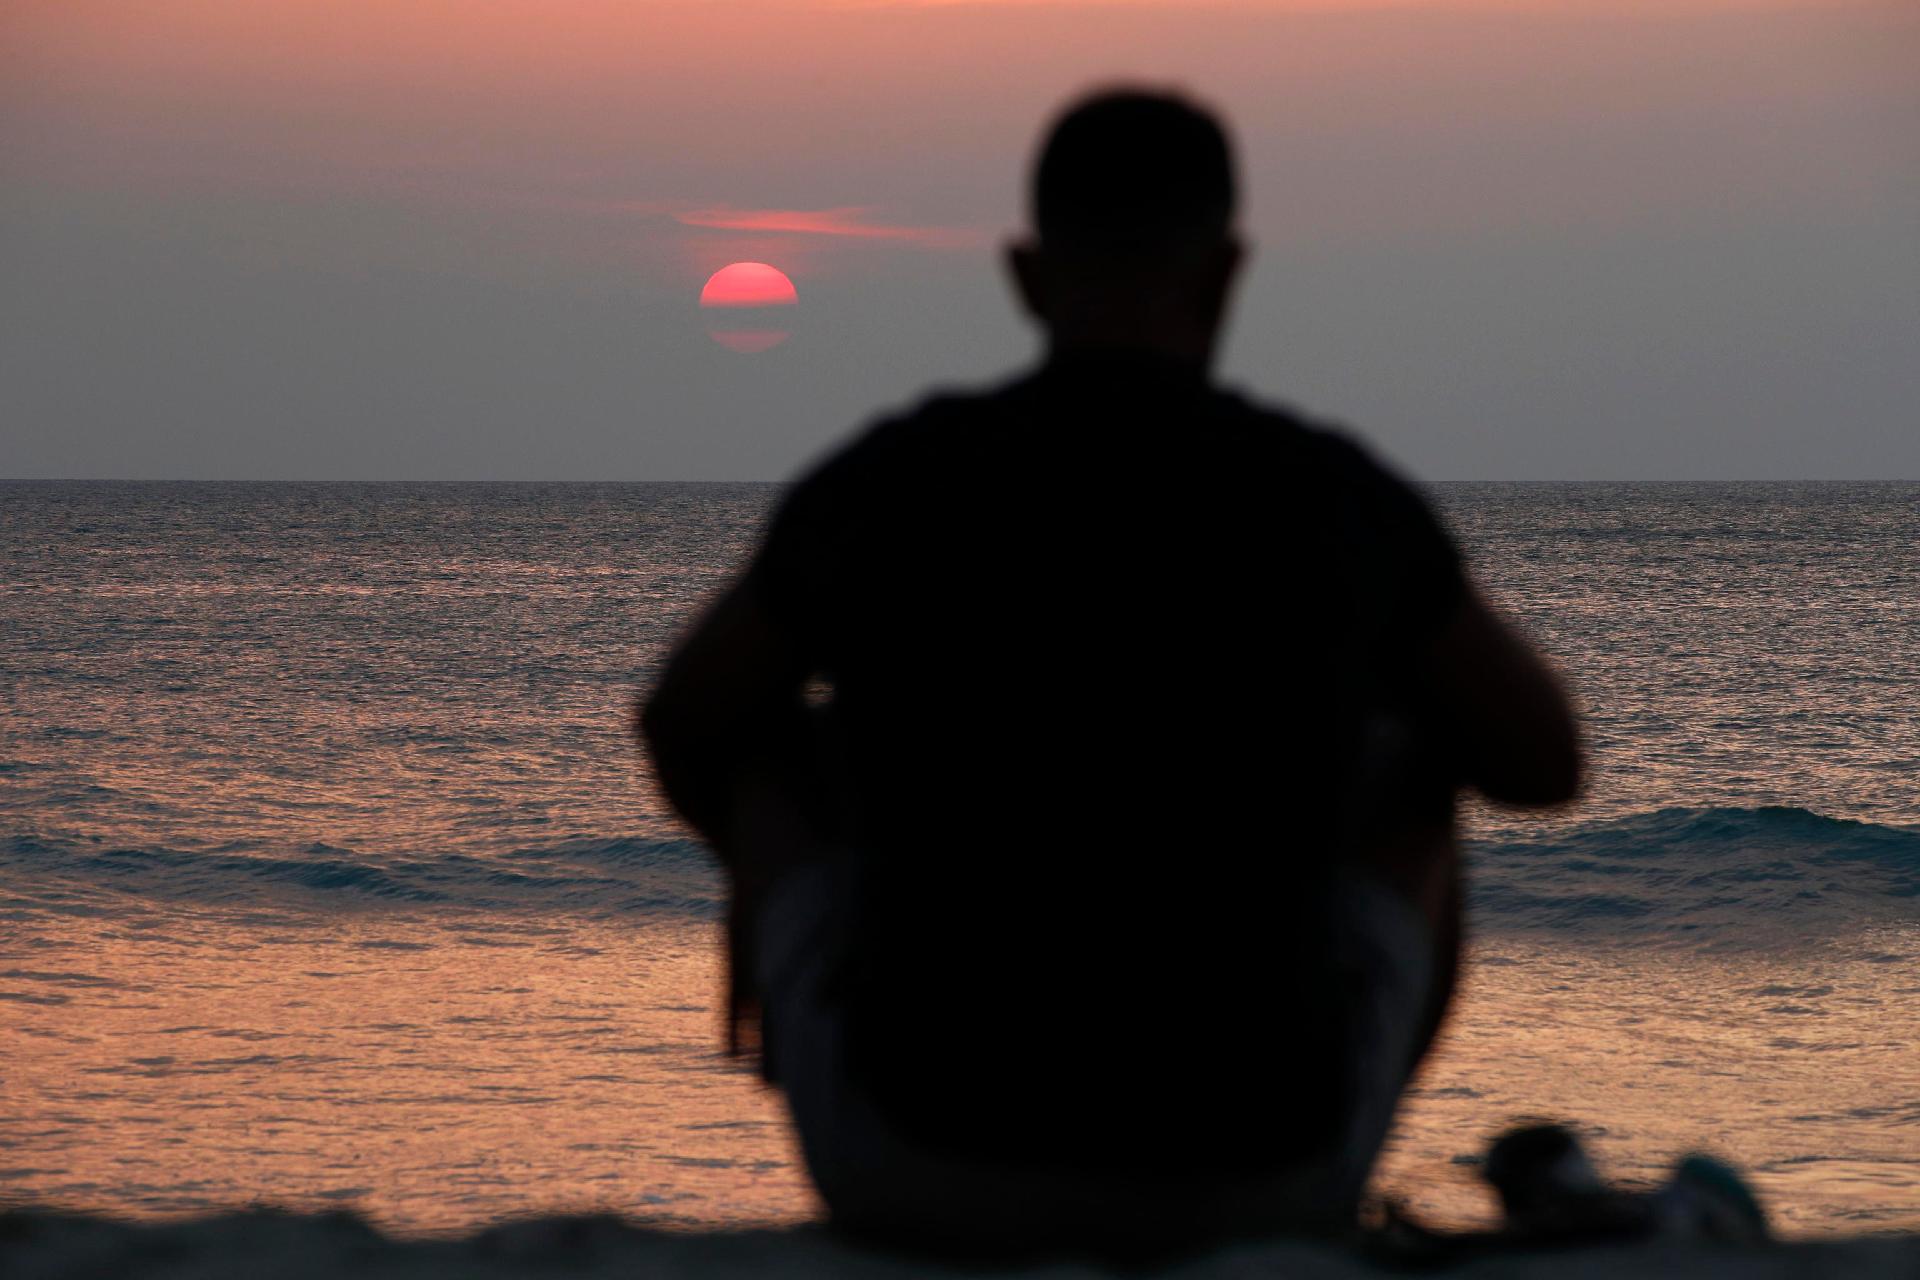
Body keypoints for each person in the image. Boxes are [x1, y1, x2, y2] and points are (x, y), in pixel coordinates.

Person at [639, 87, 1581, 1259]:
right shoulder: (1332, 497)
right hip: (1260, 1176)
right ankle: (1330, 1144)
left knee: (771, 740)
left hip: (911, 1170)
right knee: (1421, 758)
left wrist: (776, 879)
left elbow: (681, 716)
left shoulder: (891, 483)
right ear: (1229, 272)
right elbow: (1543, 763)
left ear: (1026, 275)